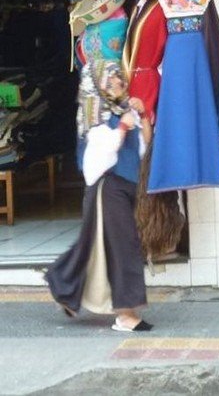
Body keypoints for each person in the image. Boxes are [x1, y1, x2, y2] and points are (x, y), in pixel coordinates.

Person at [45, 61, 154, 332]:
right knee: (123, 247)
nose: (118, 82)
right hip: (108, 187)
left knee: (93, 245)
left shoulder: (121, 110)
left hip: (124, 186)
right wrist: (123, 127)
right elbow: (100, 156)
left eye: (119, 76)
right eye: (111, 78)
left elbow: (143, 147)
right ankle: (126, 314)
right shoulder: (95, 114)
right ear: (98, 84)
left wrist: (143, 118)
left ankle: (63, 285)